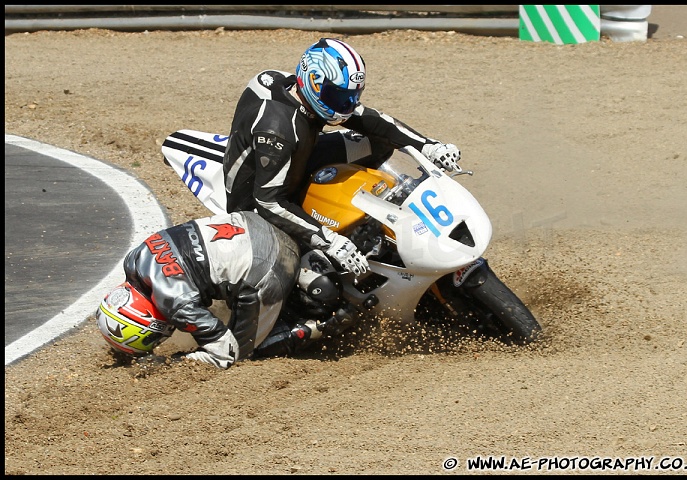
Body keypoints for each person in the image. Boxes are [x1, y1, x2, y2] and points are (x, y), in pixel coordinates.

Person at [222, 37, 462, 349]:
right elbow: (268, 201)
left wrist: (429, 146)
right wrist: (330, 240)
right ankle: (282, 335)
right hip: (255, 211)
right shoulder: (279, 128)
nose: (346, 105)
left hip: (296, 158)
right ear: (313, 81)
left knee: (378, 142)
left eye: (351, 96)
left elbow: (372, 120)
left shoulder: (305, 95)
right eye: (339, 96)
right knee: (323, 289)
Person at [96, 210, 314, 369]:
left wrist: (170, 364)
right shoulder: (136, 258)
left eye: (152, 340)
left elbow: (224, 353)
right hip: (254, 223)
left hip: (273, 265)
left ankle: (310, 327)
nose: (161, 339)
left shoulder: (176, 302)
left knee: (240, 361)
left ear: (145, 322)